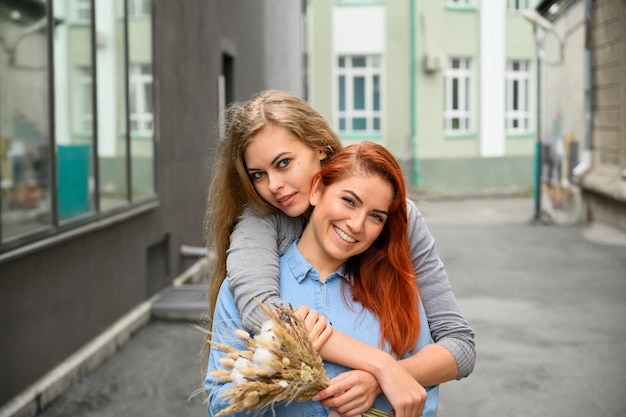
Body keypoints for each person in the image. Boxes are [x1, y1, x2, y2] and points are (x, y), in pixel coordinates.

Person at [205, 90, 475, 415]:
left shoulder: (396, 232)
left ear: (321, 150)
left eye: (284, 163)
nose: (273, 185)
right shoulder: (258, 226)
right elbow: (261, 312)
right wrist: (380, 365)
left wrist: (385, 377)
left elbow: (459, 343)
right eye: (258, 175)